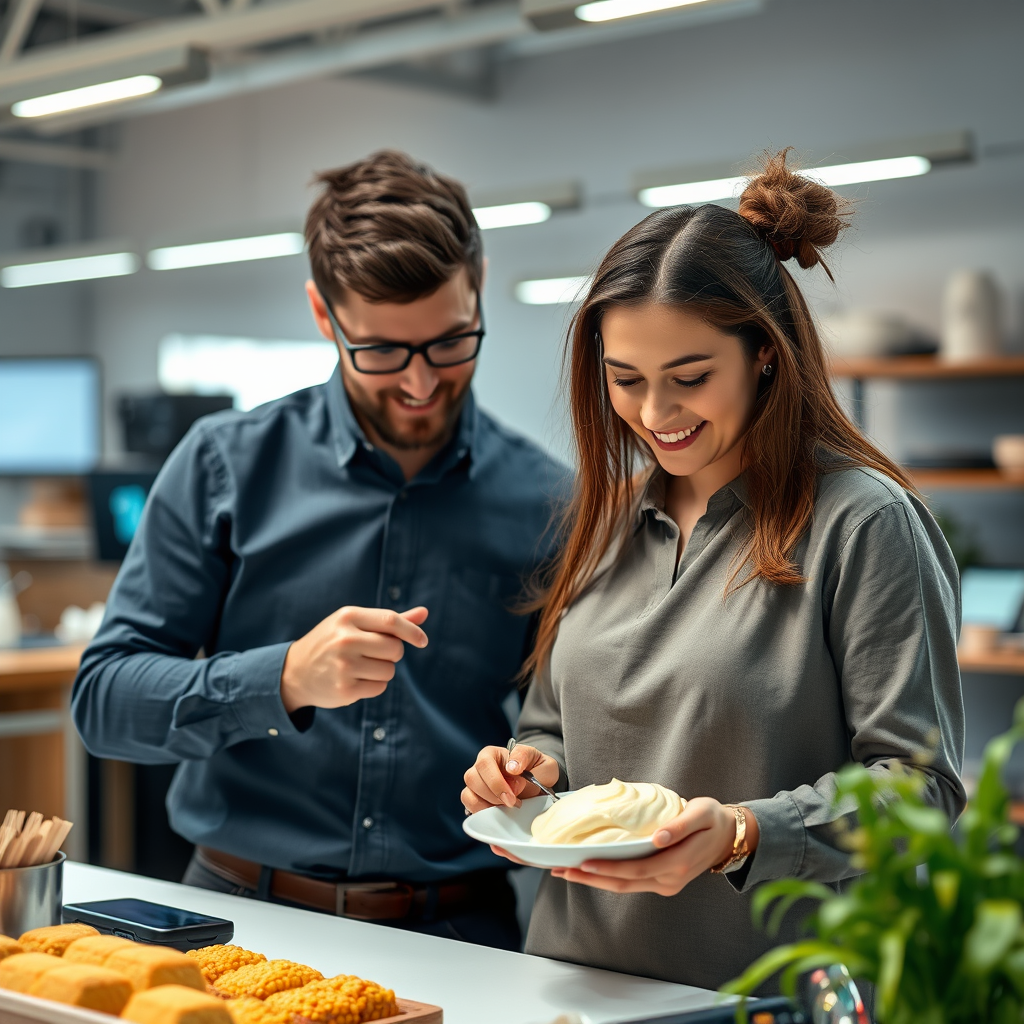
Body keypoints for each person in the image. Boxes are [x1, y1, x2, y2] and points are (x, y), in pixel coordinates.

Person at [461, 151, 966, 987]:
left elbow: (922, 792)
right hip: (572, 983)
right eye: (625, 381)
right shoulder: (608, 515)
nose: (656, 415)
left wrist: (744, 834)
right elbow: (550, 724)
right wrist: (523, 770)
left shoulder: (862, 522)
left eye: (690, 378)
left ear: (765, 355)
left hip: (770, 995)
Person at [73, 150, 567, 951]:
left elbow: (564, 729)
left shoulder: (552, 502)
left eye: (450, 343)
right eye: (379, 352)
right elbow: (105, 700)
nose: (418, 384)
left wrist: (538, 767)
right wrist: (283, 679)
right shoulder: (223, 464)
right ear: (321, 313)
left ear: (478, 288)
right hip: (238, 920)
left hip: (462, 931)